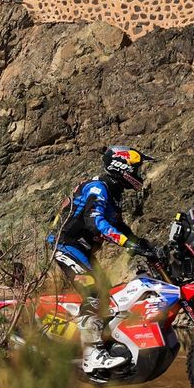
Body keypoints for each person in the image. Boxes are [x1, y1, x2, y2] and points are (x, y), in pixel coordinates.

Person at [47, 144, 156, 373]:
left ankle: (92, 342)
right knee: (94, 295)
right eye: (135, 169)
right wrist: (127, 243)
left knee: (106, 297)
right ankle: (92, 355)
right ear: (121, 166)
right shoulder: (98, 187)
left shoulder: (113, 191)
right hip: (66, 246)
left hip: (80, 249)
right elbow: (95, 222)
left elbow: (117, 225)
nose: (139, 174)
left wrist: (140, 243)